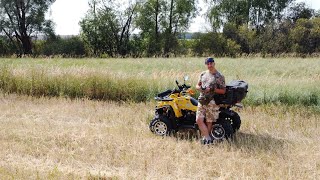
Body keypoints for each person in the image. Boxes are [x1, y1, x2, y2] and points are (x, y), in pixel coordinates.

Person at [195, 57, 226, 144]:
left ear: (214, 63)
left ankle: (207, 140)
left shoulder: (219, 76)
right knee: (199, 120)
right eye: (207, 64)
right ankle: (207, 137)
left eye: (211, 63)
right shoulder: (203, 74)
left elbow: (223, 90)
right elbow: (197, 85)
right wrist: (201, 88)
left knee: (209, 121)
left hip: (212, 102)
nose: (209, 65)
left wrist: (212, 89)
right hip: (202, 100)